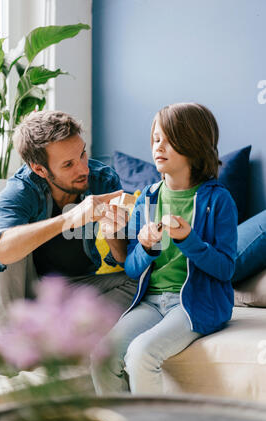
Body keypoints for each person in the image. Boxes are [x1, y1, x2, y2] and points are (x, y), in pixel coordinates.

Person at [91, 102, 238, 395]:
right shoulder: (147, 198)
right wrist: (145, 247)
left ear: (193, 145)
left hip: (195, 304)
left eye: (170, 141)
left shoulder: (218, 201)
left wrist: (188, 241)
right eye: (156, 139)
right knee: (101, 356)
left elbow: (225, 269)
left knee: (141, 354)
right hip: (151, 302)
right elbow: (132, 268)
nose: (159, 147)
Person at [0, 110, 137, 329]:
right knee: (5, 248)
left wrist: (114, 232)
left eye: (83, 154)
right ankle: (12, 346)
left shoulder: (103, 180)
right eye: (68, 165)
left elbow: (123, 258)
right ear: (39, 169)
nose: (84, 168)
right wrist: (69, 219)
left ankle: (59, 334)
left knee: (139, 284)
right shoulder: (22, 189)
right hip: (21, 289)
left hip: (70, 289)